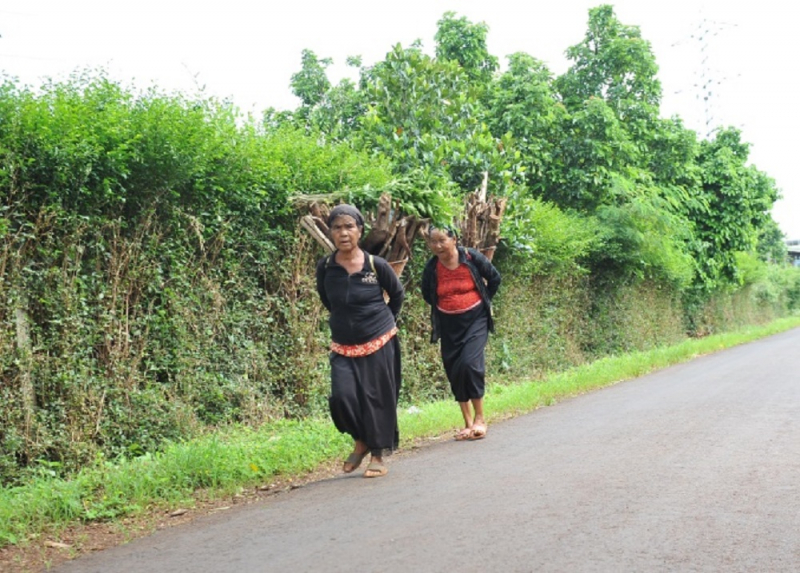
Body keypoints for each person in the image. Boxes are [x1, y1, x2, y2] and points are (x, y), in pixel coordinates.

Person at [315, 204, 404, 478]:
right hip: (343, 344)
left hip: (379, 341)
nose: (343, 233)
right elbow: (328, 300)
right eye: (337, 227)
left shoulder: (376, 265)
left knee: (377, 399)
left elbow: (397, 295)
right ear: (330, 232)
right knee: (343, 398)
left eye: (349, 227)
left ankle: (377, 454)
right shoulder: (326, 267)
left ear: (360, 230)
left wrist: (381, 324)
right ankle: (361, 440)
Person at [421, 226, 501, 441]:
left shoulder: (470, 257)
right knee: (454, 369)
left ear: (454, 239)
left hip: (475, 319)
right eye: (432, 242)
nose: (437, 246)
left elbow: (494, 278)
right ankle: (467, 424)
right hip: (448, 323)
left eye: (442, 240)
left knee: (469, 364)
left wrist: (482, 300)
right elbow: (427, 294)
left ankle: (480, 419)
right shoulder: (432, 267)